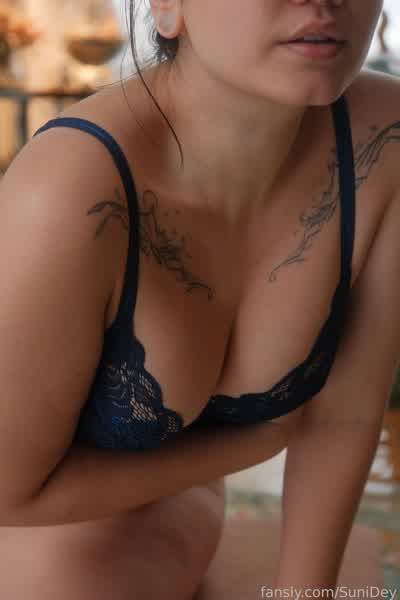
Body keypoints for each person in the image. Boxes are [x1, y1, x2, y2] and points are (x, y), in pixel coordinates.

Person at [0, 0, 398, 597]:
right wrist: (257, 441)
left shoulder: (383, 136)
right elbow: (9, 493)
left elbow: (345, 417)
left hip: (164, 514)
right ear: (167, 6)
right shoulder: (69, 189)